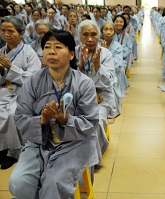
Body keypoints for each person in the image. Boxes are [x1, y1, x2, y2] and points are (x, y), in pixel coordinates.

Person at [9, 29, 99, 199]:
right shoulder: (33, 82)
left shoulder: (84, 84)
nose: (51, 51)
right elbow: (21, 117)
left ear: (71, 54)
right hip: (39, 141)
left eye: (58, 47)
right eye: (47, 47)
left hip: (73, 142)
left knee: (53, 184)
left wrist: (66, 120)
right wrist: (41, 120)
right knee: (19, 183)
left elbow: (91, 121)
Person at [0, 16, 41, 170]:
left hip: (23, 93)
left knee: (11, 114)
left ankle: (14, 151)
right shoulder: (1, 51)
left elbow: (33, 80)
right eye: (3, 31)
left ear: (21, 33)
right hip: (4, 90)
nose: (6, 34)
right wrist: (1, 71)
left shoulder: (29, 53)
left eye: (11, 31)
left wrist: (11, 67)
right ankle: (2, 147)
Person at [76, 19, 115, 165]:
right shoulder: (73, 52)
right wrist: (80, 66)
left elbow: (110, 81)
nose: (90, 39)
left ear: (99, 36)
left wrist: (98, 66)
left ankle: (92, 158)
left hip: (101, 97)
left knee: (95, 121)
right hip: (77, 97)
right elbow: (67, 79)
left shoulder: (105, 54)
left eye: (93, 34)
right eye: (85, 35)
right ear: (79, 36)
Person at [100, 21, 123, 121]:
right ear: (101, 31)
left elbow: (117, 65)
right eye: (106, 29)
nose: (108, 32)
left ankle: (112, 112)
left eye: (111, 29)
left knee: (110, 86)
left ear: (114, 32)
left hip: (113, 74)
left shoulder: (117, 46)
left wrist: (106, 51)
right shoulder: (97, 44)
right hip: (99, 73)